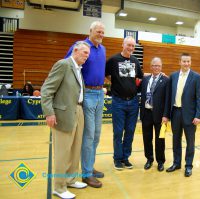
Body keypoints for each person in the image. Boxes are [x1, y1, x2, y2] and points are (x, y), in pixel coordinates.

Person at [41, 41, 90, 199]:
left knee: (75, 150)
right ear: (75, 50)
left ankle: (70, 179)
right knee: (62, 152)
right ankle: (59, 187)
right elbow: (47, 89)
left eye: (88, 54)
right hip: (63, 113)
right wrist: (49, 113)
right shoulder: (63, 64)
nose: (86, 57)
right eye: (84, 53)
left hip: (78, 110)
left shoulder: (78, 69)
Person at [65, 21, 106, 188]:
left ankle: (89, 165)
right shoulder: (80, 46)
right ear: (90, 31)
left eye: (103, 32)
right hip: (87, 94)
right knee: (88, 135)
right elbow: (67, 65)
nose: (101, 35)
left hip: (99, 94)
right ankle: (86, 174)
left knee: (96, 134)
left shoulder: (102, 49)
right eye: (98, 31)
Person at [105, 36, 143, 170]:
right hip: (118, 102)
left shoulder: (135, 61)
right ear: (123, 45)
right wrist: (116, 83)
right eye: (129, 45)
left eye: (133, 46)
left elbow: (139, 77)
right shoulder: (113, 60)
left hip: (133, 102)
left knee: (130, 131)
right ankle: (117, 158)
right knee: (118, 131)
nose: (131, 48)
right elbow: (106, 74)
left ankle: (125, 158)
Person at [165, 53, 200, 177]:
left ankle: (188, 166)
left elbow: (199, 98)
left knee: (190, 142)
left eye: (188, 61)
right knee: (175, 140)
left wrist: (198, 115)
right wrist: (166, 114)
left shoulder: (197, 77)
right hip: (175, 112)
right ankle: (176, 163)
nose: (186, 63)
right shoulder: (173, 76)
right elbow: (169, 96)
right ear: (179, 62)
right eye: (184, 61)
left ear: (190, 62)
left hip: (190, 115)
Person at [140, 57, 169, 172]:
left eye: (158, 66)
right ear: (151, 67)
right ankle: (149, 159)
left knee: (160, 139)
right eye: (154, 65)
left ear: (161, 67)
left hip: (161, 116)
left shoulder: (166, 80)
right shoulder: (145, 80)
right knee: (147, 139)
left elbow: (168, 99)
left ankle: (160, 161)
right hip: (146, 113)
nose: (156, 67)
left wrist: (166, 115)